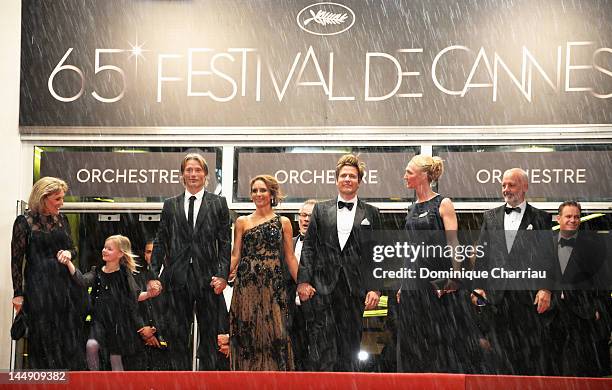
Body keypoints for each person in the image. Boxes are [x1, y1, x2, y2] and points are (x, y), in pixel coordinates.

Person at [297, 154, 382, 372]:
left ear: (359, 181)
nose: (347, 179)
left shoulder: (372, 213)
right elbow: (309, 247)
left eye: (352, 176)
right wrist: (303, 281)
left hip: (355, 288)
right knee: (323, 343)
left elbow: (377, 253)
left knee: (351, 345)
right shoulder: (320, 209)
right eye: (343, 175)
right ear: (336, 180)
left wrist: (375, 287)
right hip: (323, 286)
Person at [151, 153, 231, 370]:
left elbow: (225, 243)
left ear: (206, 175)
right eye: (189, 170)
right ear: (182, 175)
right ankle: (179, 381)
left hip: (209, 280)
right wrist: (152, 276)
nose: (193, 174)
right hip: (177, 279)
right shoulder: (170, 205)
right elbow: (160, 241)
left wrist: (223, 274)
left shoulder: (219, 204)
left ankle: (207, 382)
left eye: (197, 170)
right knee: (176, 335)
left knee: (209, 337)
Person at [472, 168, 556, 375]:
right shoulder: (490, 217)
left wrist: (546, 288)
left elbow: (547, 256)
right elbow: (482, 254)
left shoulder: (541, 218)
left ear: (525, 187)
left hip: (527, 299)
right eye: (503, 185)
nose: (506, 189)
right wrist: (479, 286)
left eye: (512, 185)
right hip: (496, 299)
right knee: (498, 357)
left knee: (528, 356)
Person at [396, 154, 474, 373]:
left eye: (409, 172)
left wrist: (456, 276)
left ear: (423, 176)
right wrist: (403, 283)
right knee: (411, 339)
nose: (405, 176)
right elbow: (408, 249)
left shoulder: (443, 203)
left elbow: (453, 241)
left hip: (437, 282)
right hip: (413, 283)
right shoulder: (411, 208)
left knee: (437, 337)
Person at [10, 177, 86, 370]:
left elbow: (73, 249)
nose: (62, 203)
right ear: (43, 198)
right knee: (40, 339)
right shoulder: (24, 222)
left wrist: (69, 253)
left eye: (62, 198)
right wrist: (18, 294)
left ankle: (63, 380)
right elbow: (16, 260)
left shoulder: (62, 219)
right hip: (38, 288)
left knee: (64, 339)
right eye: (58, 199)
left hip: (63, 288)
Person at [229, 174, 299, 371]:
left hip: (273, 286)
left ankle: (275, 381)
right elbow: (235, 255)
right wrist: (222, 274)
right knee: (247, 336)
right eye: (254, 190)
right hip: (246, 287)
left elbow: (290, 257)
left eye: (263, 190)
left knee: (275, 335)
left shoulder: (283, 222)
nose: (258, 194)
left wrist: (302, 282)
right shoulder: (242, 222)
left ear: (272, 194)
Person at [58, 235, 156, 371]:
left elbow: (135, 296)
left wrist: (150, 294)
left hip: (117, 323)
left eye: (109, 249)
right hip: (99, 319)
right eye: (104, 247)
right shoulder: (97, 271)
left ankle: (118, 385)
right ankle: (95, 379)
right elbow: (82, 280)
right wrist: (69, 263)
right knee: (91, 345)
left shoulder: (124, 274)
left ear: (120, 253)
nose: (104, 250)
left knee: (115, 360)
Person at [547, 201, 609, 376]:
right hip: (551, 316)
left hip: (583, 315)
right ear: (558, 219)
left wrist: (599, 309)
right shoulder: (545, 245)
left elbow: (602, 280)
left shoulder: (593, 246)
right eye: (568, 216)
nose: (573, 220)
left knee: (580, 370)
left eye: (576, 217)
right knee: (552, 371)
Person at [289, 199, 316, 371]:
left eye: (311, 216)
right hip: (290, 310)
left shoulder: (324, 246)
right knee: (293, 358)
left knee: (314, 359)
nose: (306, 219)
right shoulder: (287, 244)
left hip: (315, 308)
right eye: (303, 215)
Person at [131, 239, 166, 370]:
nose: (151, 255)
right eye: (148, 252)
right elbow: (131, 305)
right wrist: (143, 329)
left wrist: (156, 329)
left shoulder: (172, 276)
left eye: (154, 252)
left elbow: (173, 309)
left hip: (165, 339)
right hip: (139, 339)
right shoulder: (134, 277)